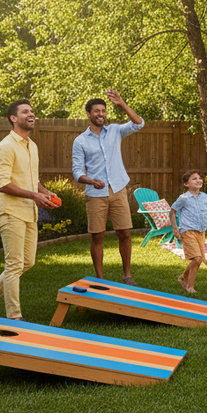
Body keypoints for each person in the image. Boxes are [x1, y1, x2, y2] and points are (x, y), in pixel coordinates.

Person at [0, 100, 57, 321]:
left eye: (32, 111)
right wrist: (34, 196)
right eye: (25, 111)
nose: (31, 114)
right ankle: (14, 317)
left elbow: (31, 179)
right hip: (10, 212)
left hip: (29, 211)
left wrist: (44, 191)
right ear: (13, 118)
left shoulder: (32, 146)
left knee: (27, 262)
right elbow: (3, 184)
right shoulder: (5, 147)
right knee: (14, 264)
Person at [71, 90, 144, 285]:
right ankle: (100, 278)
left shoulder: (115, 131)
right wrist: (91, 181)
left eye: (103, 110)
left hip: (118, 189)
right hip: (95, 193)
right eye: (96, 111)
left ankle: (127, 275)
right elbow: (77, 172)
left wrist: (121, 103)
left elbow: (139, 123)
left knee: (125, 233)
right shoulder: (80, 141)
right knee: (97, 236)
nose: (101, 114)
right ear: (88, 113)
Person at [169, 169, 207, 294]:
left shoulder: (205, 196)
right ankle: (189, 287)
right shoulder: (184, 198)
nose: (198, 180)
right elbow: (172, 211)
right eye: (194, 178)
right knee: (197, 258)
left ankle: (183, 278)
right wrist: (175, 229)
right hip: (187, 231)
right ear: (186, 184)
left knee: (199, 259)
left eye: (199, 178)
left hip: (201, 231)